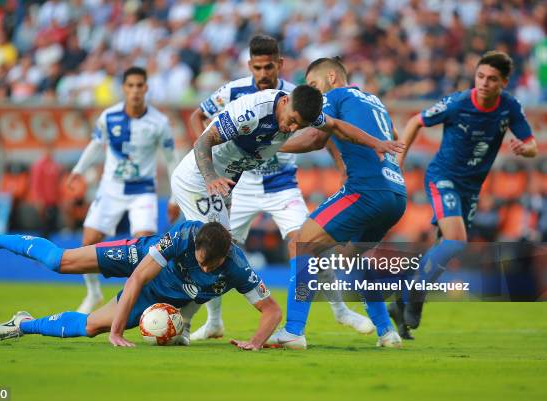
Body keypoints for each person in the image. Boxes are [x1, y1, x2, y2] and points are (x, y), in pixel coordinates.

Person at [188, 34, 372, 341]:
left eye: (268, 67)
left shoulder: (297, 96)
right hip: (239, 185)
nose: (263, 74)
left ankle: (340, 311)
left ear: (280, 65)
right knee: (212, 247)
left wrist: (342, 168)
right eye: (257, 67)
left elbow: (323, 133)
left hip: (281, 185)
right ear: (250, 65)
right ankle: (214, 321)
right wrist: (208, 164)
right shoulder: (232, 91)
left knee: (308, 244)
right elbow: (198, 117)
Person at [0, 221, 281, 350]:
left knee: (91, 326)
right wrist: (118, 332)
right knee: (59, 262)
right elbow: (138, 276)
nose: (205, 267)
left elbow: (271, 310)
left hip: (161, 294)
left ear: (226, 257)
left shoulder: (239, 268)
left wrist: (255, 341)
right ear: (195, 247)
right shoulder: (182, 238)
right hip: (140, 259)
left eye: (211, 265)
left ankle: (21, 324)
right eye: (201, 260)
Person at [265, 57, 407, 349]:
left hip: (366, 189)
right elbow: (392, 136)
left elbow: (316, 138)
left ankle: (293, 331)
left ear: (331, 77)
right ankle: (387, 332)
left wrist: (268, 147)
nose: (314, 95)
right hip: (396, 193)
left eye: (315, 86)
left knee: (301, 243)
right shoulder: (374, 100)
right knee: (357, 257)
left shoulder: (335, 96)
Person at [394, 51, 537, 338]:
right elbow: (414, 122)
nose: (484, 83)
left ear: (503, 83)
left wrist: (527, 150)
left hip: (471, 188)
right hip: (442, 177)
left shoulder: (509, 107)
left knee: (445, 249)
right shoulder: (458, 102)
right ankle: (414, 295)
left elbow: (531, 143)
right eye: (480, 76)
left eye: (492, 79)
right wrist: (398, 163)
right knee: (456, 241)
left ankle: (401, 305)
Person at [67, 66, 180, 314]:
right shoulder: (108, 117)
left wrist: (175, 196)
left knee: (146, 248)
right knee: (88, 242)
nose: (135, 91)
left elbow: (171, 159)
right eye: (131, 86)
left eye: (140, 85)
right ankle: (93, 292)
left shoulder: (159, 122)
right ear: (124, 88)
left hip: (142, 191)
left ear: (146, 88)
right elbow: (96, 145)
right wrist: (77, 169)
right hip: (111, 189)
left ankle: (140, 300)